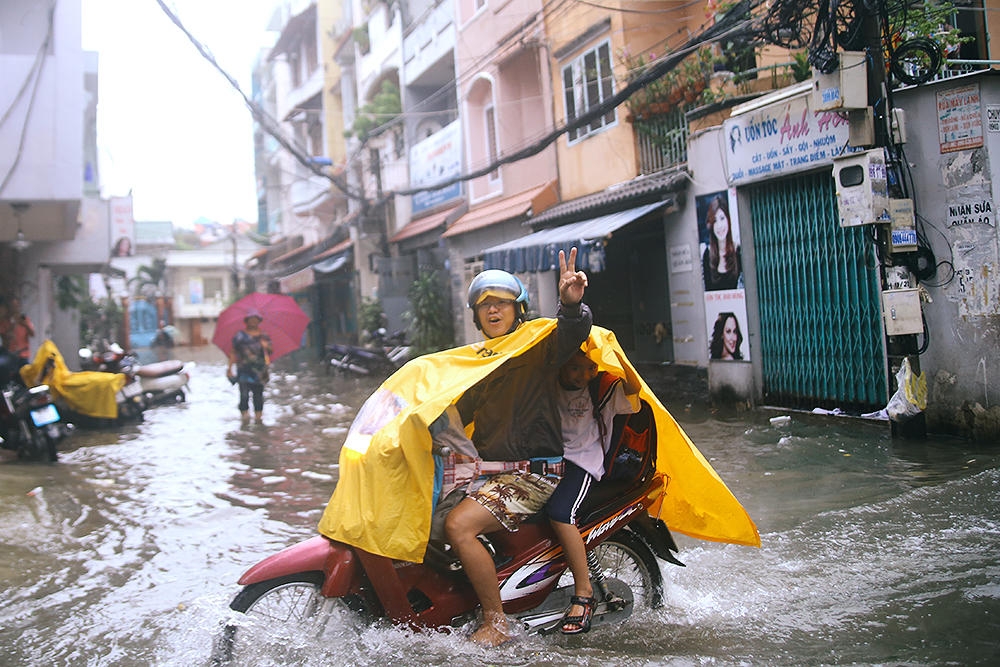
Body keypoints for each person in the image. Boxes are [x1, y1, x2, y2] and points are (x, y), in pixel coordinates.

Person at [443, 248, 592, 646]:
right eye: (485, 305)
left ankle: (496, 622)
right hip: (488, 471)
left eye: (502, 304)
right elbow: (453, 408)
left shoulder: (537, 345)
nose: (493, 311)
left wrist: (571, 305)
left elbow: (571, 334)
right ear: (476, 316)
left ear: (518, 309)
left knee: (459, 525)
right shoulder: (479, 362)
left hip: (534, 472)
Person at [547, 349, 638, 634]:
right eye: (575, 368)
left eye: (589, 368)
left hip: (583, 463)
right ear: (561, 368)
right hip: (549, 462)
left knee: (561, 513)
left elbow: (633, 389)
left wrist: (619, 355)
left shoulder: (602, 389)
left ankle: (584, 594)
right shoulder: (545, 384)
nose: (583, 375)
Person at [227, 310, 272, 423]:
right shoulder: (239, 336)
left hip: (260, 371)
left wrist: (266, 346)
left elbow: (271, 351)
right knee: (244, 396)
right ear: (246, 321)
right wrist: (229, 368)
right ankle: (245, 419)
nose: (253, 321)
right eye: (251, 319)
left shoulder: (264, 335)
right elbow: (233, 352)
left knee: (258, 397)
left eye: (255, 319)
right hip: (243, 371)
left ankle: (258, 420)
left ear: (259, 321)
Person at [701, 194, 741, 291]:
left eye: (722, 218)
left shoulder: (738, 252)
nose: (719, 226)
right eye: (715, 221)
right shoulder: (707, 255)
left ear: (728, 219)